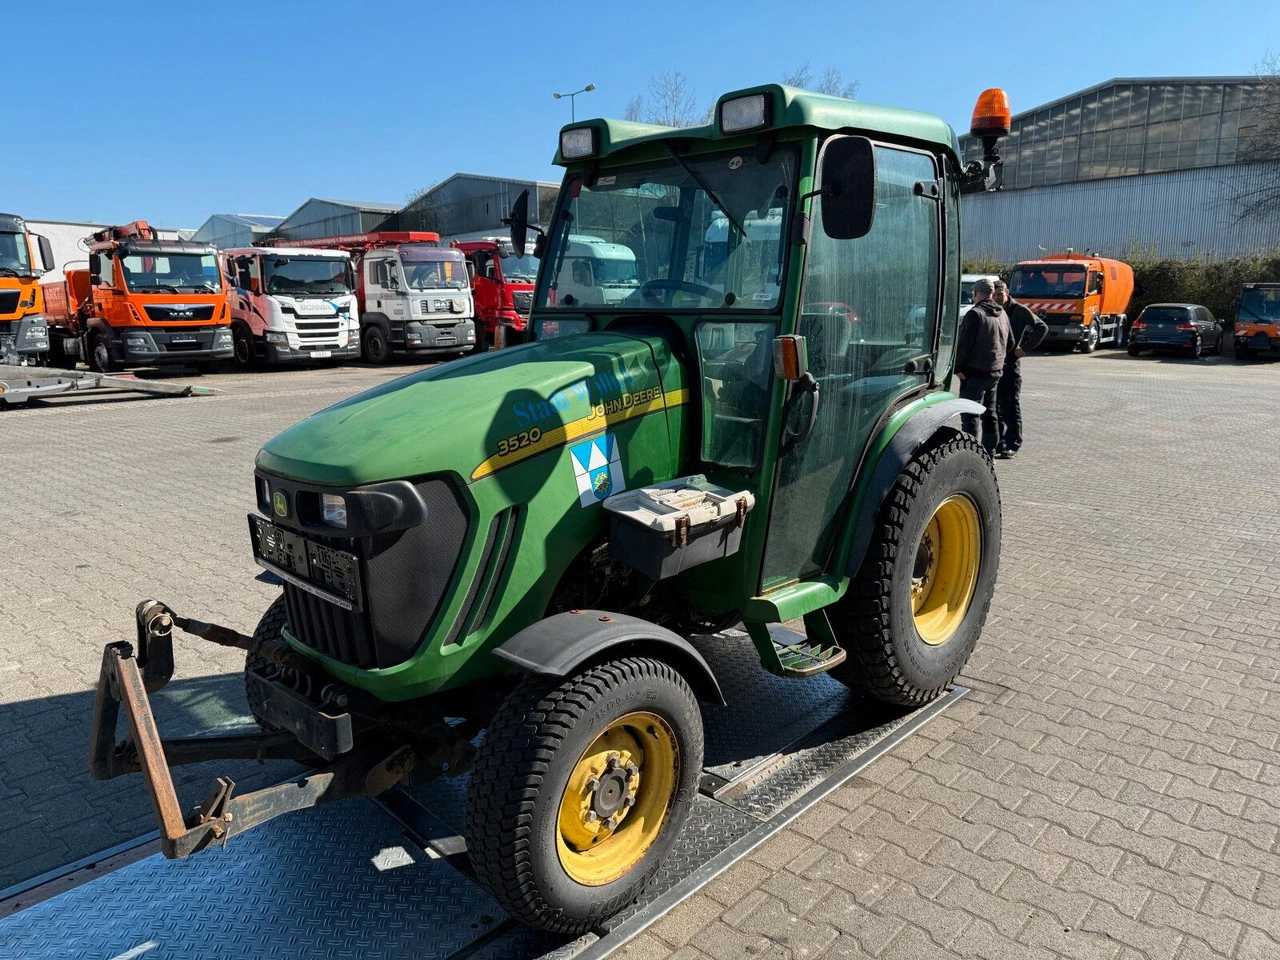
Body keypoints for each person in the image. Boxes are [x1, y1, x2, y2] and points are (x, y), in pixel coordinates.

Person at [954, 278, 1014, 454]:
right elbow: (1011, 343)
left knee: (970, 415)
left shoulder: (975, 314)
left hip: (974, 373)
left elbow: (964, 345)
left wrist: (957, 368)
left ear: (976, 293)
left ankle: (972, 453)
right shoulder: (1002, 313)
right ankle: (990, 452)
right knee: (990, 414)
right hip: (995, 372)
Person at [992, 279, 1048, 459]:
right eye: (995, 295)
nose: (998, 298)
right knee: (996, 405)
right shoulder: (994, 310)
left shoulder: (1019, 310)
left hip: (1011, 364)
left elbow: (1041, 327)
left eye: (1001, 294)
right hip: (995, 364)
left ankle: (1013, 443)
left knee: (1011, 405)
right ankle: (999, 442)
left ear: (1007, 293)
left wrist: (1024, 348)